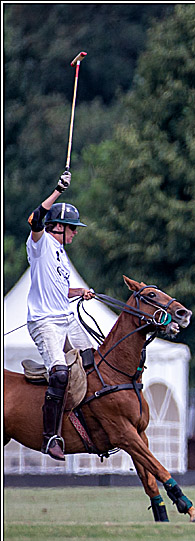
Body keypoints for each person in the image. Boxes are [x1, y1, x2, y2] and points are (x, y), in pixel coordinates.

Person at [25, 169, 95, 460]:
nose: (76, 233)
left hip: (65, 318)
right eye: (73, 228)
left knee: (93, 356)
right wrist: (58, 190)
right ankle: (51, 436)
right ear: (59, 227)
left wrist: (78, 292)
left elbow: (57, 289)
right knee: (60, 372)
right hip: (45, 323)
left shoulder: (61, 254)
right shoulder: (40, 244)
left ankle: (89, 419)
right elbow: (34, 219)